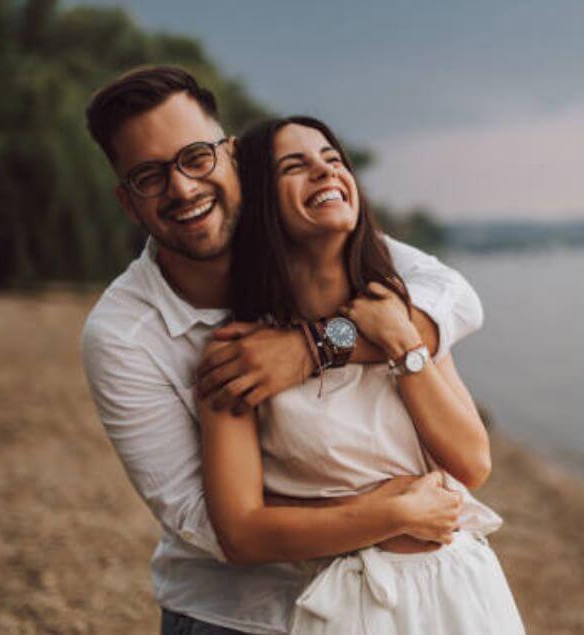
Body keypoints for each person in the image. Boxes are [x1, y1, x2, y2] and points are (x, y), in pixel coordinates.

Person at [80, 66, 485, 634]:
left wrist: (317, 347)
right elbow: (212, 526)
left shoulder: (315, 239)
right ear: (128, 201)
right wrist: (387, 513)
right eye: (150, 176)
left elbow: (455, 300)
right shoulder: (127, 337)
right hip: (236, 615)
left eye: (196, 158)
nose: (183, 188)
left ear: (232, 156)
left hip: (404, 599)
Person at [198, 115, 525, 634]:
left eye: (333, 160)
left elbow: (471, 462)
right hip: (355, 605)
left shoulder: (401, 315)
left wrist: (400, 344)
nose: (325, 173)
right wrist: (393, 514)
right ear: (260, 199)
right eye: (295, 166)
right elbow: (242, 535)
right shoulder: (242, 354)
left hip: (460, 587)